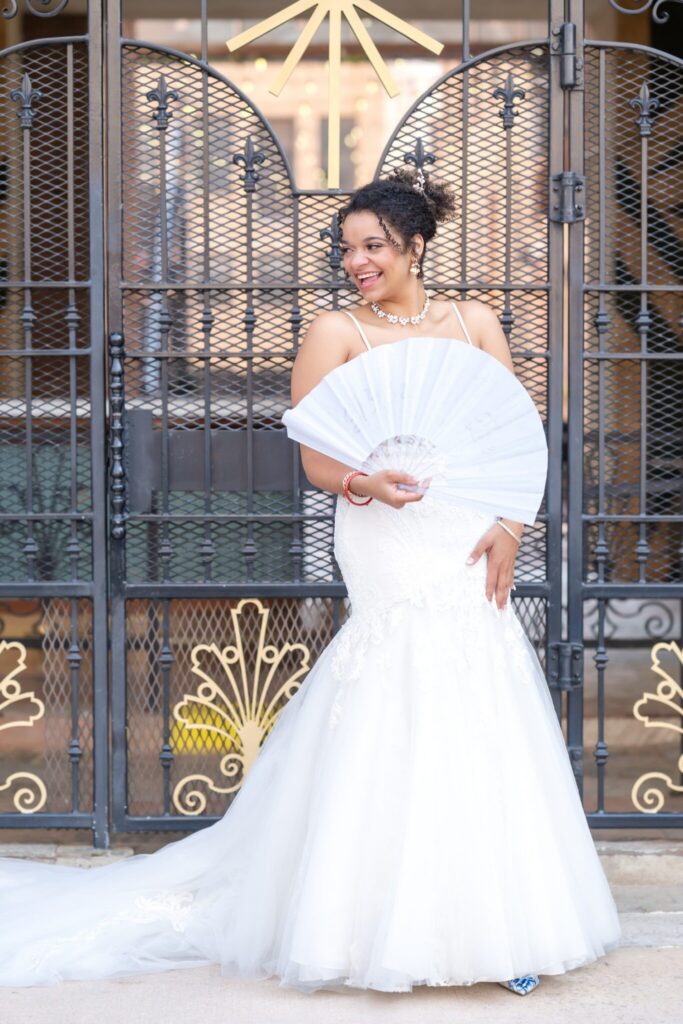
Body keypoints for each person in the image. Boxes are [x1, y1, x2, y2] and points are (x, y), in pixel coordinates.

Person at [0, 168, 621, 996]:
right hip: (383, 529)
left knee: (480, 693)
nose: (357, 262)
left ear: (415, 245)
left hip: (468, 530)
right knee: (397, 685)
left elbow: (512, 435)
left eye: (373, 247)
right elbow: (316, 454)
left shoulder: (472, 323)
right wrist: (367, 486)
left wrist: (511, 525)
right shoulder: (335, 331)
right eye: (348, 249)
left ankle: (498, 922)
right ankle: (365, 920)